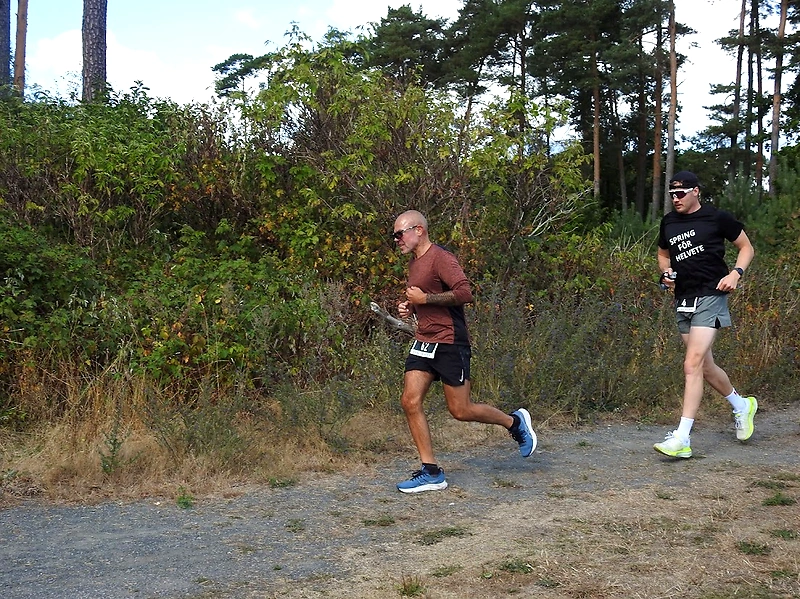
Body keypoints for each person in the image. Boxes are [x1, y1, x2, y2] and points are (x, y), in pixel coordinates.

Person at [391, 210, 537, 493]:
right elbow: (425, 300)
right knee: (409, 401)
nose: (397, 240)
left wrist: (425, 298)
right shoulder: (414, 263)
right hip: (425, 340)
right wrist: (411, 308)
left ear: (419, 230)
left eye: (400, 234)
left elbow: (464, 293)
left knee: (460, 410)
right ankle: (431, 472)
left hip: (450, 341)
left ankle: (514, 422)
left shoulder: (441, 257)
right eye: (395, 236)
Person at [654, 171, 757, 458]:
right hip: (683, 298)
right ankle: (742, 405)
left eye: (681, 194)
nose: (676, 199)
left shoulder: (716, 217)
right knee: (705, 367)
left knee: (692, 364)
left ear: (695, 192)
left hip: (711, 295)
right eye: (672, 195)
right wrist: (666, 273)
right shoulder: (669, 222)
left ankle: (682, 438)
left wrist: (735, 274)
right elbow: (663, 254)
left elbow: (746, 247)